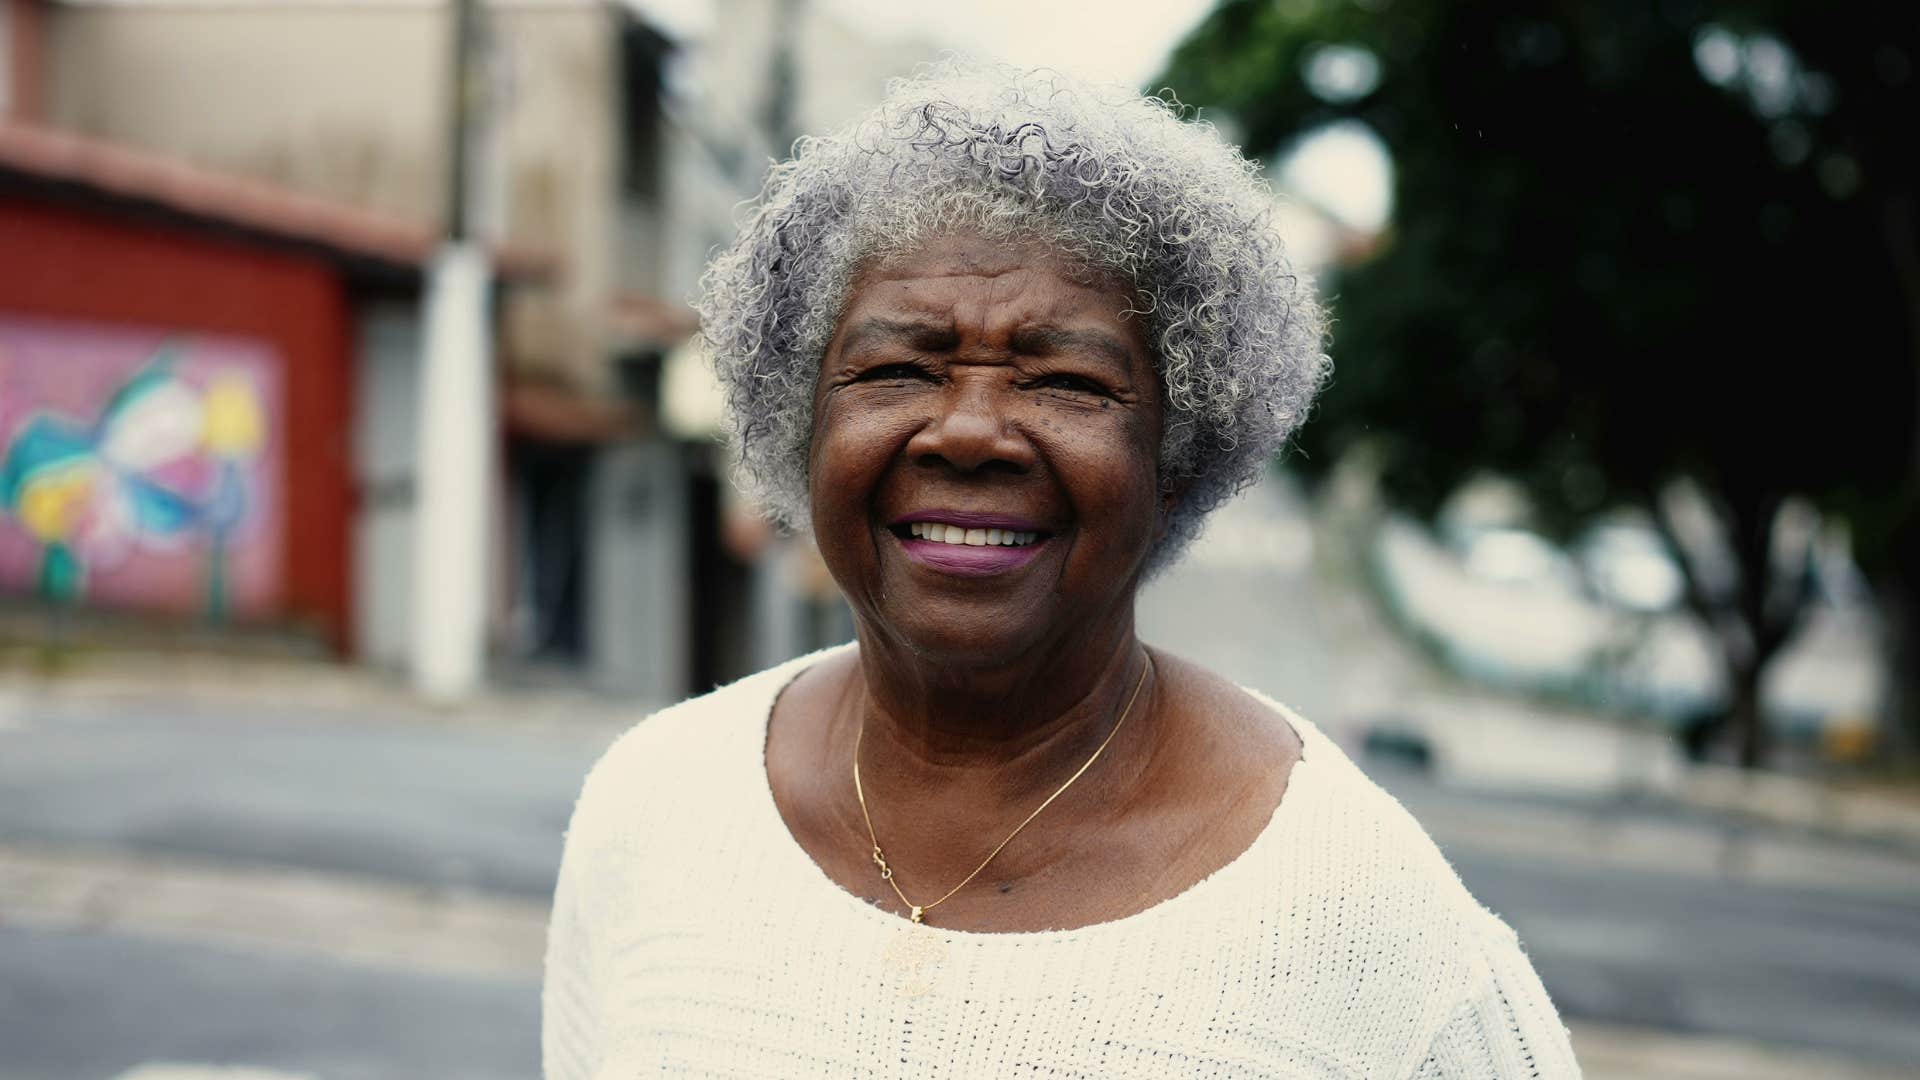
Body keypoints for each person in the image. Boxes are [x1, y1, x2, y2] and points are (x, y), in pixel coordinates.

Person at [543, 60, 1581, 1078]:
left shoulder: (1368, 922)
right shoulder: (653, 805)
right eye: (900, 367)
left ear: (1175, 463)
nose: (969, 431)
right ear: (801, 429)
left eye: (1068, 382)